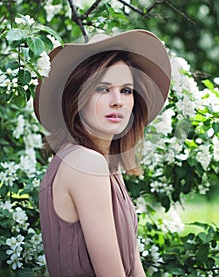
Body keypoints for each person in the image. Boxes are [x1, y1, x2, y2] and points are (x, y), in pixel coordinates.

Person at [33, 29, 171, 277]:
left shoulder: (105, 165)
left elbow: (134, 267)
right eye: (102, 88)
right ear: (77, 97)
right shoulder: (85, 163)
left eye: (126, 90)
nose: (117, 101)